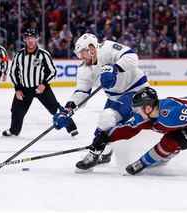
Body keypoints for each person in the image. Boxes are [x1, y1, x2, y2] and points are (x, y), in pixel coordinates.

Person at [53, 33, 149, 171]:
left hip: (137, 90)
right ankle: (105, 153)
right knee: (103, 125)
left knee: (108, 119)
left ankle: (94, 153)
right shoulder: (84, 68)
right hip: (115, 97)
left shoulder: (108, 48)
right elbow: (81, 92)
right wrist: (66, 110)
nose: (81, 57)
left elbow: (132, 57)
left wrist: (115, 68)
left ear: (91, 48)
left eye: (82, 53)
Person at [87, 87, 187, 175]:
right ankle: (163, 155)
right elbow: (127, 129)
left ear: (148, 108)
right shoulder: (145, 117)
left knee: (170, 142)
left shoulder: (172, 112)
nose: (135, 112)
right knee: (168, 143)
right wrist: (105, 138)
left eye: (137, 108)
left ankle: (149, 160)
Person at [2, 28, 78, 137]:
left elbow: (52, 71)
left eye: (32, 38)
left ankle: (71, 128)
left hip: (41, 88)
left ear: (37, 39)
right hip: (24, 89)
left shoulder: (44, 54)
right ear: (24, 40)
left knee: (55, 108)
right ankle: (14, 130)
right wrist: (17, 89)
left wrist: (44, 84)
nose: (30, 41)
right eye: (28, 38)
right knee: (16, 110)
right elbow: (13, 73)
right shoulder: (19, 55)